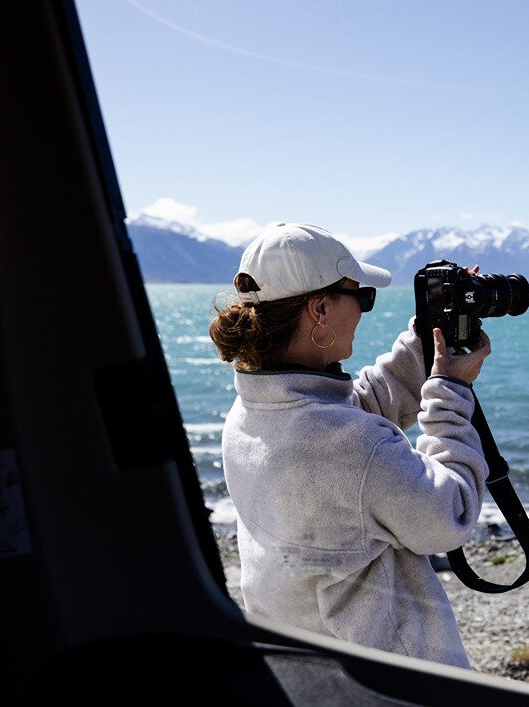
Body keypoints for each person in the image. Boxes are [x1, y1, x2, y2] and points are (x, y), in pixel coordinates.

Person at [208, 222, 491, 668]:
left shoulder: (248, 417)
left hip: (307, 666)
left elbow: (352, 412)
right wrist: (450, 392)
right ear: (319, 308)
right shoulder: (348, 445)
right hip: (395, 684)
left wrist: (425, 337)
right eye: (362, 297)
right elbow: (448, 514)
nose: (364, 310)